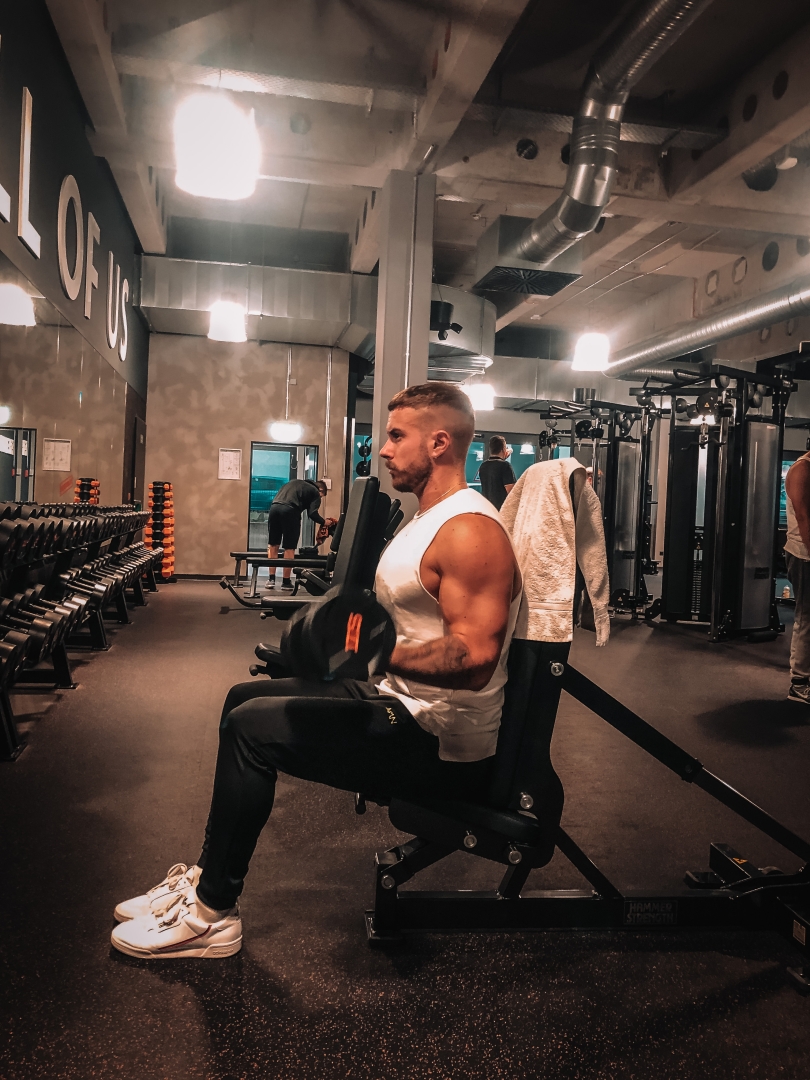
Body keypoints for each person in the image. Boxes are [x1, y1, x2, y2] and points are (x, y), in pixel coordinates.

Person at [110, 382, 522, 959]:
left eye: (395, 436)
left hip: (439, 742)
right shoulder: (426, 519)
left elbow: (474, 660)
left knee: (252, 731)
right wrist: (342, 638)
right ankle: (206, 873)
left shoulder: (470, 531)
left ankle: (211, 916)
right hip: (399, 698)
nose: (383, 449)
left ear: (438, 443)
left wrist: (367, 654)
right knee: (241, 699)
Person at [265, 478, 336, 590]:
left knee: (273, 544)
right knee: (289, 547)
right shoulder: (315, 491)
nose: (320, 499)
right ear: (321, 490)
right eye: (321, 496)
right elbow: (312, 513)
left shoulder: (293, 483)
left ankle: (271, 579)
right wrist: (324, 522)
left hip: (274, 508)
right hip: (290, 511)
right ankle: (286, 582)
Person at [784, 452, 810, 702]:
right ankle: (799, 683)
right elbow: (803, 516)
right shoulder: (802, 469)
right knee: (806, 617)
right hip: (804, 555)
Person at [477, 435, 516, 510]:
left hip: (487, 509)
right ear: (503, 449)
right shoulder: (505, 466)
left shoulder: (483, 466)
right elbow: (512, 492)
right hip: (501, 510)